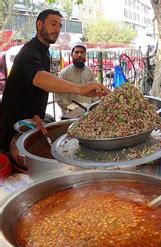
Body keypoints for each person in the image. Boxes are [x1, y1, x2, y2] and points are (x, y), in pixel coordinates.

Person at [1, 9, 108, 151]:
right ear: (39, 24)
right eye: (53, 24)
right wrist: (80, 89)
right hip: (14, 131)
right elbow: (39, 78)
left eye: (59, 26)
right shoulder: (29, 52)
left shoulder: (45, 51)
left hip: (33, 123)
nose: (57, 29)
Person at [55, 43, 98, 112]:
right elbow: (58, 96)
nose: (79, 55)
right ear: (72, 55)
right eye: (77, 52)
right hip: (71, 114)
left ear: (85, 55)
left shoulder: (89, 71)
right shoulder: (64, 73)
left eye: (82, 52)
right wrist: (72, 108)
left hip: (88, 111)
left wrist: (92, 106)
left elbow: (94, 90)